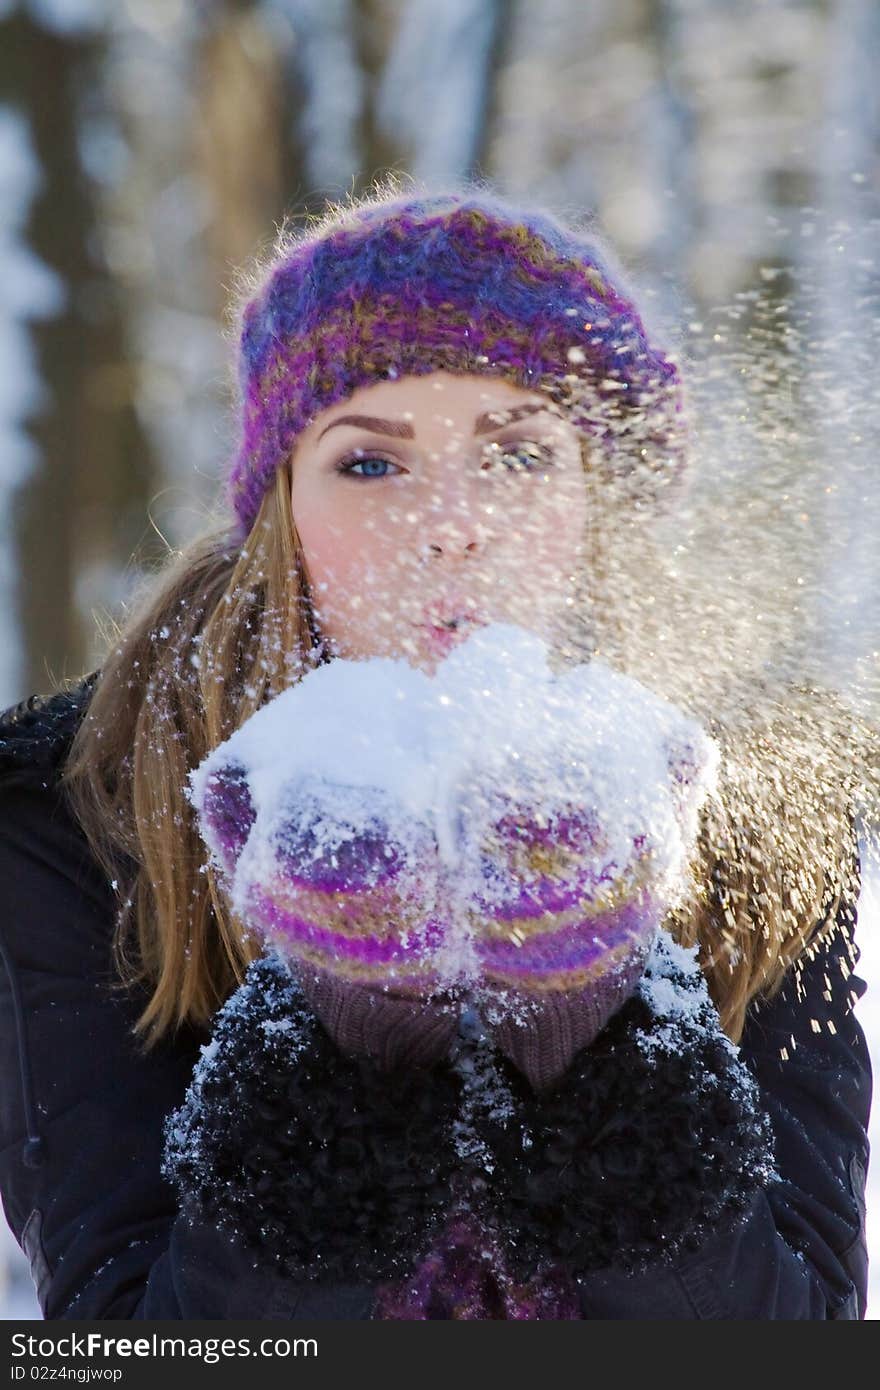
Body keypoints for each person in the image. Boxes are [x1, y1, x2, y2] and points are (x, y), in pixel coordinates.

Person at [0, 180, 871, 1320]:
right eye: (371, 463)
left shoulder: (756, 811)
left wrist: (596, 1012)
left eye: (515, 455)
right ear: (281, 508)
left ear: (598, 499)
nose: (449, 521)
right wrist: (346, 1028)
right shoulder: (78, 812)